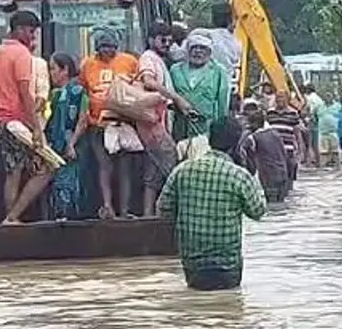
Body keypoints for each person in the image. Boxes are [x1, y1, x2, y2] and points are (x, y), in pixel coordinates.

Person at [158, 119, 267, 291]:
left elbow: (164, 209)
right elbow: (258, 211)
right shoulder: (239, 176)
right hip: (228, 266)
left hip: (193, 265)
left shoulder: (182, 170)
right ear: (237, 145)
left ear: (209, 140)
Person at [0, 10, 52, 224]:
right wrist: (36, 129)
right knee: (49, 166)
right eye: (32, 32)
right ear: (20, 29)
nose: (33, 37)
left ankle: (10, 220)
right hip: (17, 122)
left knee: (13, 172)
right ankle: (13, 216)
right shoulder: (22, 55)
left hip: (0, 120)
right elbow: (26, 93)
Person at [80, 26, 141, 218]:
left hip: (124, 124)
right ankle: (107, 207)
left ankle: (124, 210)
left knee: (124, 167)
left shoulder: (130, 62)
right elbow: (83, 91)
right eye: (104, 47)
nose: (108, 51)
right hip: (98, 125)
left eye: (112, 47)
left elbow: (139, 86)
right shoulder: (87, 64)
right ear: (97, 48)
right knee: (104, 165)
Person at [136, 22, 195, 216]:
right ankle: (170, 214)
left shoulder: (160, 60)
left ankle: (149, 215)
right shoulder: (148, 58)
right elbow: (148, 81)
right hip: (153, 124)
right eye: (163, 39)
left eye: (170, 40)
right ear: (151, 39)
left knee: (154, 172)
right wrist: (177, 98)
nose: (167, 44)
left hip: (160, 121)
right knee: (171, 168)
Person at [169, 31, 232, 163]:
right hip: (180, 129)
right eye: (194, 48)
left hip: (205, 130)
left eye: (202, 48)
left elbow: (222, 103)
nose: (198, 52)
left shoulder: (218, 71)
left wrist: (219, 131)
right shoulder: (175, 70)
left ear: (209, 52)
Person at [45, 52, 89, 220]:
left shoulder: (78, 91)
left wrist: (71, 143)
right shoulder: (55, 94)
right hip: (55, 146)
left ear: (65, 70)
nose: (51, 73)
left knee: (70, 182)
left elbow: (82, 119)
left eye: (53, 68)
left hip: (71, 146)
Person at [240, 105, 292, 203]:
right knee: (280, 203)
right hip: (283, 173)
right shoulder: (275, 133)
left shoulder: (253, 138)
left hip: (268, 176)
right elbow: (285, 155)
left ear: (254, 123)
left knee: (271, 204)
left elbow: (248, 162)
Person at [303, 84, 326, 167]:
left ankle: (309, 162)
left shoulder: (310, 98)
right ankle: (318, 161)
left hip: (312, 121)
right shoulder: (319, 98)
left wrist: (307, 118)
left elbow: (310, 110)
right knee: (315, 143)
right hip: (319, 122)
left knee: (310, 143)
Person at [317, 93, 341, 169]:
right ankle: (324, 165)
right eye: (326, 96)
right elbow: (315, 115)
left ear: (332, 97)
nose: (327, 98)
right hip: (323, 131)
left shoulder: (338, 106)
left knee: (335, 150)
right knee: (323, 150)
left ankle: (337, 165)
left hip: (334, 131)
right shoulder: (320, 106)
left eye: (329, 96)